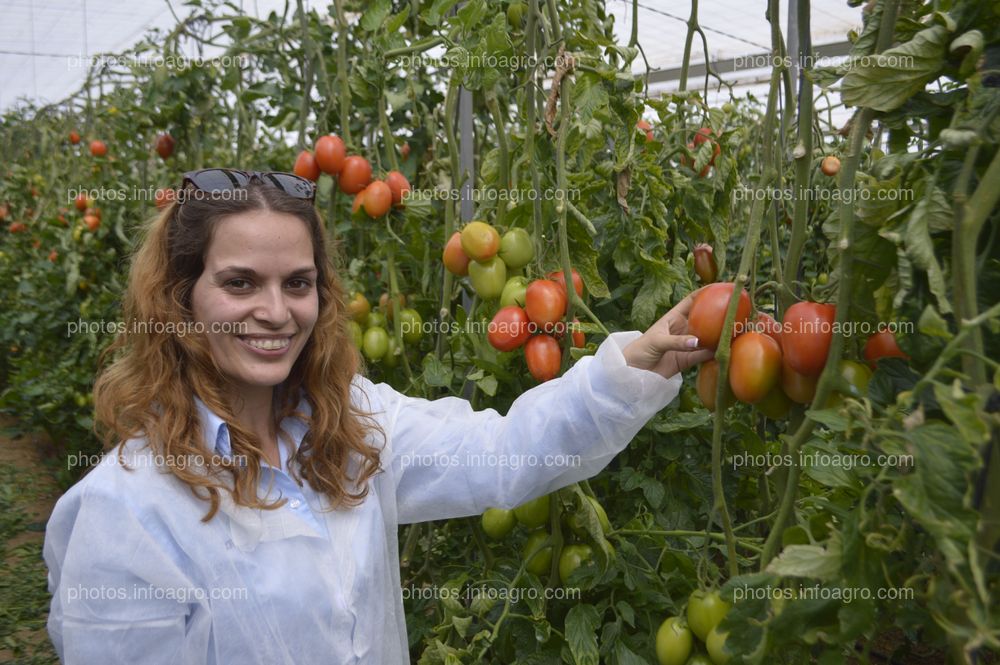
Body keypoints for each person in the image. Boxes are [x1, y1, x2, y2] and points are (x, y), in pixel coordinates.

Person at [43, 169, 712, 664]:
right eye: (240, 282)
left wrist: (634, 367)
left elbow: (506, 452)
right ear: (180, 298)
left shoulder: (350, 423)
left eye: (297, 283)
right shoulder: (126, 511)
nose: (276, 312)